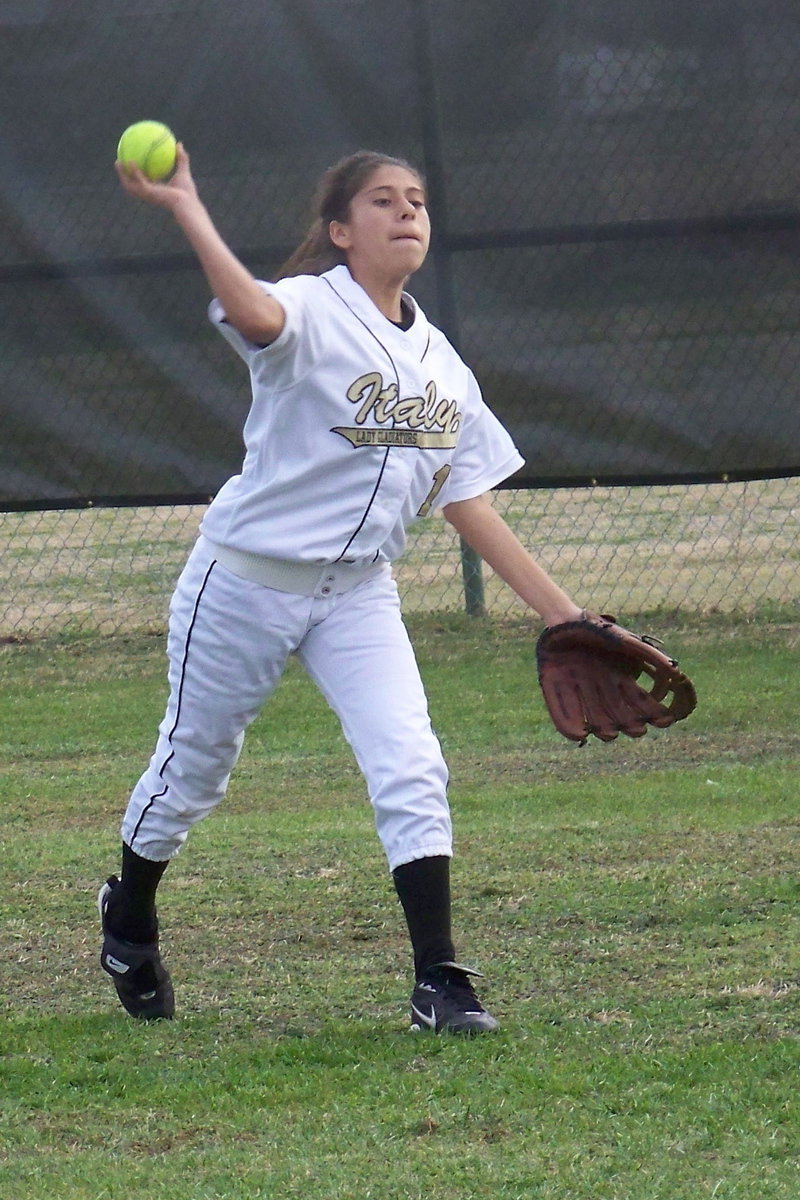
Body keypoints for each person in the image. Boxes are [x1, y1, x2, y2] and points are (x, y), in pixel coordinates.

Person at [100, 144, 583, 1033]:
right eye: (383, 201)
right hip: (247, 581)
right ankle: (128, 918)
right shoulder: (311, 308)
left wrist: (565, 615)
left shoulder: (440, 364)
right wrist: (186, 206)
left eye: (417, 201)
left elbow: (465, 499)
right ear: (340, 230)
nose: (407, 212)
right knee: (194, 770)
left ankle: (439, 980)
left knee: (410, 761)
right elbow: (253, 313)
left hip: (358, 592)